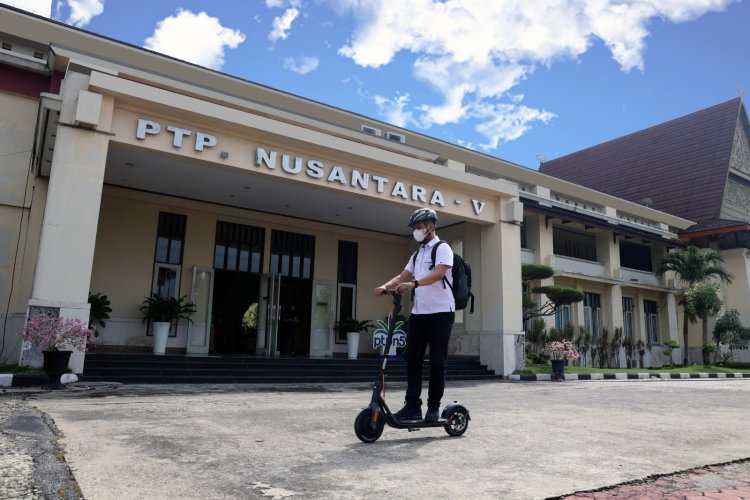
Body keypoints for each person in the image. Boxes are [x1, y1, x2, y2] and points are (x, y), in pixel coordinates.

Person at [374, 208, 454, 422]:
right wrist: (385, 286)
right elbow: (403, 276)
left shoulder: (442, 248)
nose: (416, 231)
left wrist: (415, 283)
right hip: (419, 313)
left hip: (441, 313)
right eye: (414, 228)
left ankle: (434, 407)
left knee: (437, 360)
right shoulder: (417, 254)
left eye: (419, 227)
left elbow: (439, 273)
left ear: (431, 226)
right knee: (412, 358)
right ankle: (412, 406)